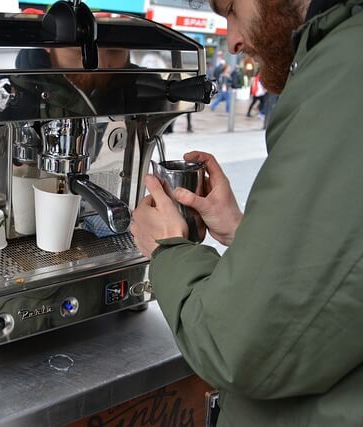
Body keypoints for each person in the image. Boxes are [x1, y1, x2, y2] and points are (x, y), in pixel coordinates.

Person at [130, 0, 363, 425]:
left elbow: (234, 346)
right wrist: (243, 232)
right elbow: (340, 269)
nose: (233, 41)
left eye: (231, 9)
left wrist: (168, 250)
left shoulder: (347, 68)